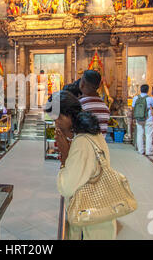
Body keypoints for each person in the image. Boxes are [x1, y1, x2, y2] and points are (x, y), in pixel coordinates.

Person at [46, 90, 117, 240]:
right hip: (97, 214)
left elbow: (66, 187)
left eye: (57, 118)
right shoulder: (91, 134)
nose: (56, 123)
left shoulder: (82, 142)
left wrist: (66, 156)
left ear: (68, 115)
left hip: (91, 221)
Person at [78, 70, 110, 136]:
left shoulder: (80, 104)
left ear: (82, 84)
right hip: (101, 145)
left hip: (84, 144)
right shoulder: (105, 108)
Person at [132, 84, 153, 156]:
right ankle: (148, 151)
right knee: (148, 135)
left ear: (140, 89)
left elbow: (133, 108)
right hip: (148, 119)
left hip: (139, 119)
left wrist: (134, 117)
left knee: (139, 134)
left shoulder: (135, 98)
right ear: (148, 90)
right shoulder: (150, 98)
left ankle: (140, 150)